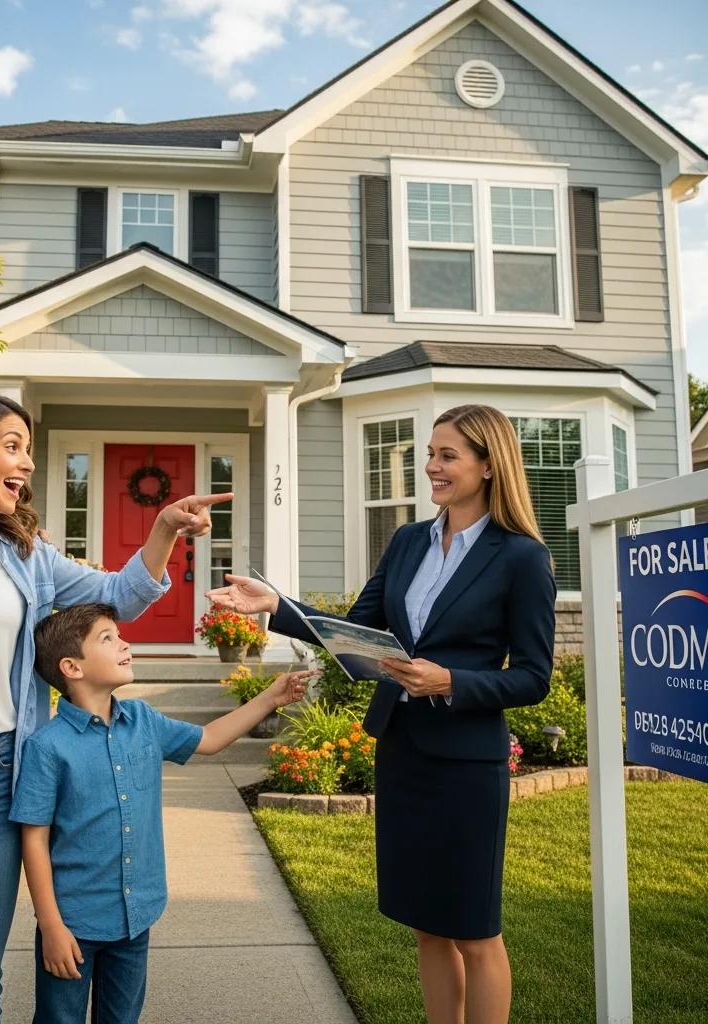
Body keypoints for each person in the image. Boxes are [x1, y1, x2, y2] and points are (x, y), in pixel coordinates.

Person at [0, 391, 232, 1023]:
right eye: (11, 447)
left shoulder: (26, 555)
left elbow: (118, 595)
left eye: (28, 449)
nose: (26, 463)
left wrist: (164, 527)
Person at [207, 404, 556, 1024]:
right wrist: (277, 605)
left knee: (475, 930)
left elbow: (533, 677)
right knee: (426, 924)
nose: (431, 467)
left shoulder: (521, 557)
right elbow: (358, 628)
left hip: (467, 766)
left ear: (488, 464)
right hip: (404, 753)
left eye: (448, 455)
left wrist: (450, 681)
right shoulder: (406, 541)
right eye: (431, 453)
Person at [11, 602, 314, 1024]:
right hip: (74, 923)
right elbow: (34, 839)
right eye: (107, 639)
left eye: (119, 635)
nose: (124, 643)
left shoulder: (143, 720)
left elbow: (208, 739)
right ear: (72, 667)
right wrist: (52, 927)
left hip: (136, 915)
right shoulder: (47, 747)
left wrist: (271, 697)